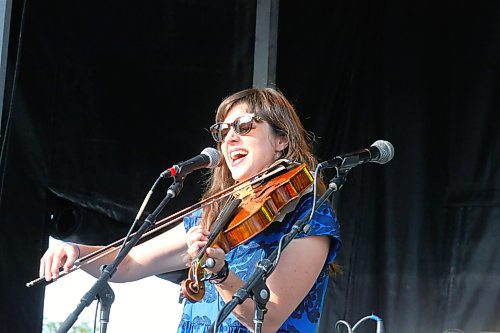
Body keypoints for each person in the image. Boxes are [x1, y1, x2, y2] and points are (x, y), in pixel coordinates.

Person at [39, 87, 341, 333]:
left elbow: (268, 320)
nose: (229, 138)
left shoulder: (309, 215)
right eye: (222, 132)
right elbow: (128, 262)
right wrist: (77, 252)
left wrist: (220, 273)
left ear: (281, 140)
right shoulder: (211, 216)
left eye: (244, 127)